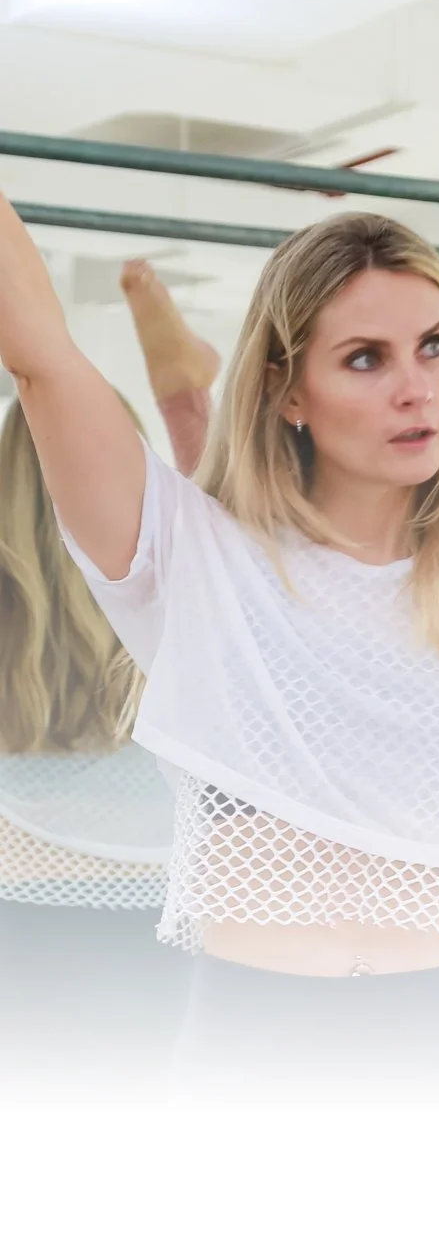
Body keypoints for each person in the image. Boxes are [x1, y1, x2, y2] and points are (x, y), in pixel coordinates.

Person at [0, 189, 439, 1100]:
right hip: (250, 1061)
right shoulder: (194, 560)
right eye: (365, 358)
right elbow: (43, 362)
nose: (416, 386)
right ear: (287, 391)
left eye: (434, 344)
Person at [0, 260, 217, 1093]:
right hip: (167, 927)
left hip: (24, 927)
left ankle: (188, 392)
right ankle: (188, 397)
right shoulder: (180, 600)